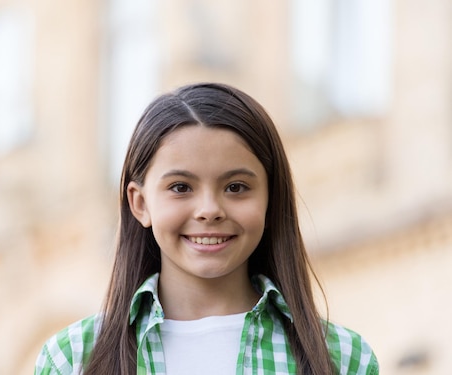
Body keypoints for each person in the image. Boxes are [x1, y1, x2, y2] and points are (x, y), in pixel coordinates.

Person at [34, 82, 379, 375]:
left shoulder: (343, 358)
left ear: (271, 199)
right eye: (181, 187)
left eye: (236, 187)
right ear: (140, 203)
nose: (210, 210)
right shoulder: (73, 358)